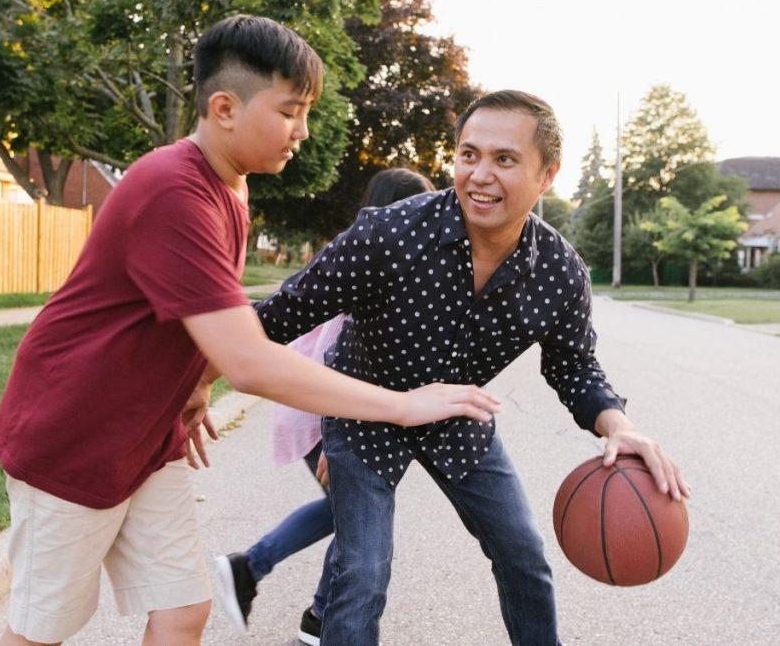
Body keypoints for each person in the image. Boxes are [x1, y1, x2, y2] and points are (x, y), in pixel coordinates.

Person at [0, 14, 499, 646]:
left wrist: (196, 383)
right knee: (42, 631)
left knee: (183, 609)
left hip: (143, 439)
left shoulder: (230, 185)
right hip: (73, 437)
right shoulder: (175, 188)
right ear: (225, 107)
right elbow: (253, 362)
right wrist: (402, 407)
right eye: (291, 112)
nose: (303, 131)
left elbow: (202, 321)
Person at [252, 89, 691, 645]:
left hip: (458, 411)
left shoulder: (558, 272)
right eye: (468, 154)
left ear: (547, 174)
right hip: (365, 406)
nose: (479, 174)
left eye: (504, 159)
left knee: (523, 556)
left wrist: (620, 427)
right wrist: (186, 361)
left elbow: (575, 367)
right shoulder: (387, 233)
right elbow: (275, 319)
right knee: (362, 572)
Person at [213, 168, 436, 645]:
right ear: (394, 210)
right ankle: (252, 567)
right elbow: (334, 360)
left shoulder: (375, 259)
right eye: (417, 210)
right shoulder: (367, 265)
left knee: (351, 515)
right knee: (355, 515)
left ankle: (317, 615)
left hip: (328, 411)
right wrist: (339, 442)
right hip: (325, 413)